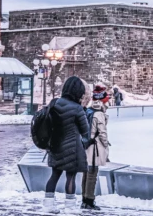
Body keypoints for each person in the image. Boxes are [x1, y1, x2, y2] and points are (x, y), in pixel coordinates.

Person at [42, 76, 91, 213]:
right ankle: (69, 207)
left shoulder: (54, 103)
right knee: (71, 177)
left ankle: (48, 205)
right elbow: (85, 131)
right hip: (72, 149)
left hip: (55, 146)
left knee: (54, 176)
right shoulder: (77, 108)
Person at [81, 84, 111, 210]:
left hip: (87, 145)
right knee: (92, 173)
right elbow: (102, 133)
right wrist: (106, 145)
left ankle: (84, 199)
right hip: (95, 148)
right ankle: (89, 200)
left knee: (86, 173)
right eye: (107, 100)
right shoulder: (99, 114)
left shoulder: (89, 110)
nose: (108, 102)